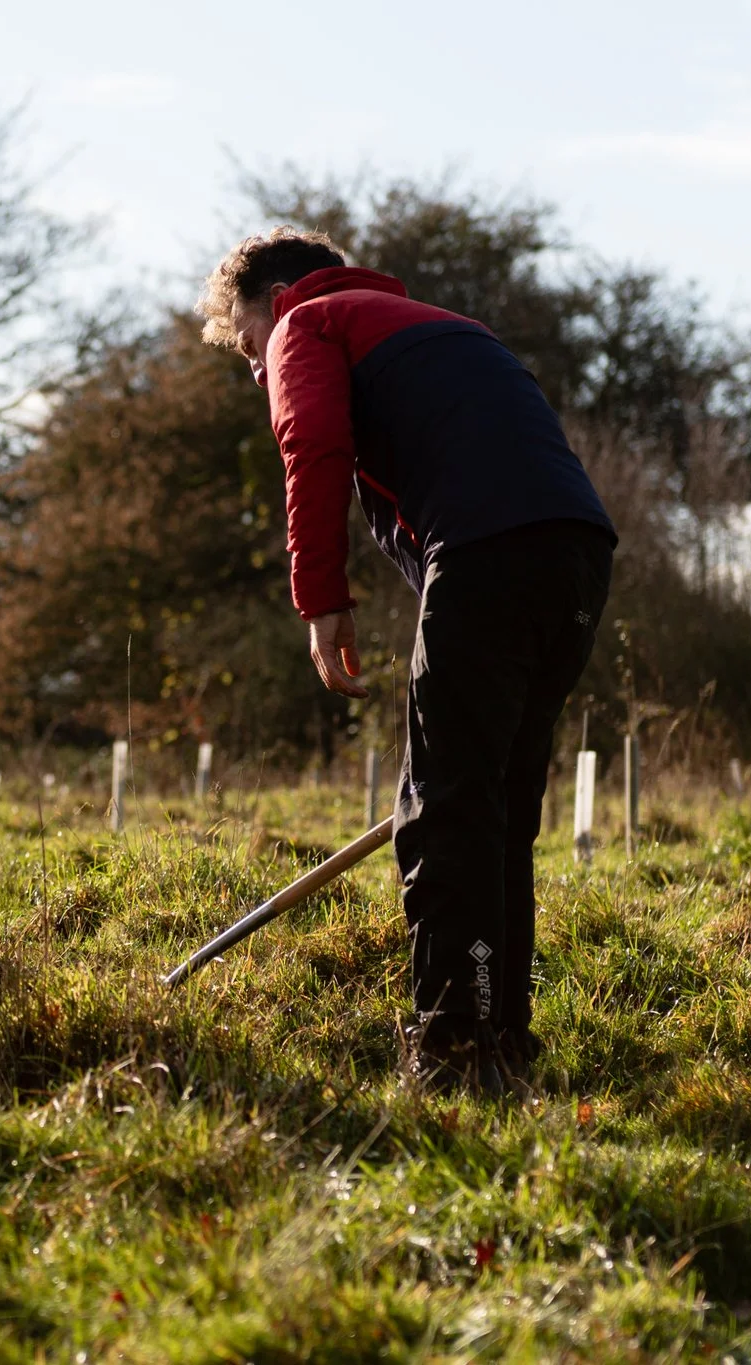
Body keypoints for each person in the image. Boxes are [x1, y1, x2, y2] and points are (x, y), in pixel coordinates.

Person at [200, 228, 615, 1096]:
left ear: (275, 301)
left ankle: (452, 1049)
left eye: (247, 345)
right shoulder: (447, 325)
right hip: (577, 555)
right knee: (498, 810)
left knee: (443, 811)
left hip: (489, 552)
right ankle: (503, 1039)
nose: (258, 369)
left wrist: (321, 600)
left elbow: (309, 445)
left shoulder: (304, 323)